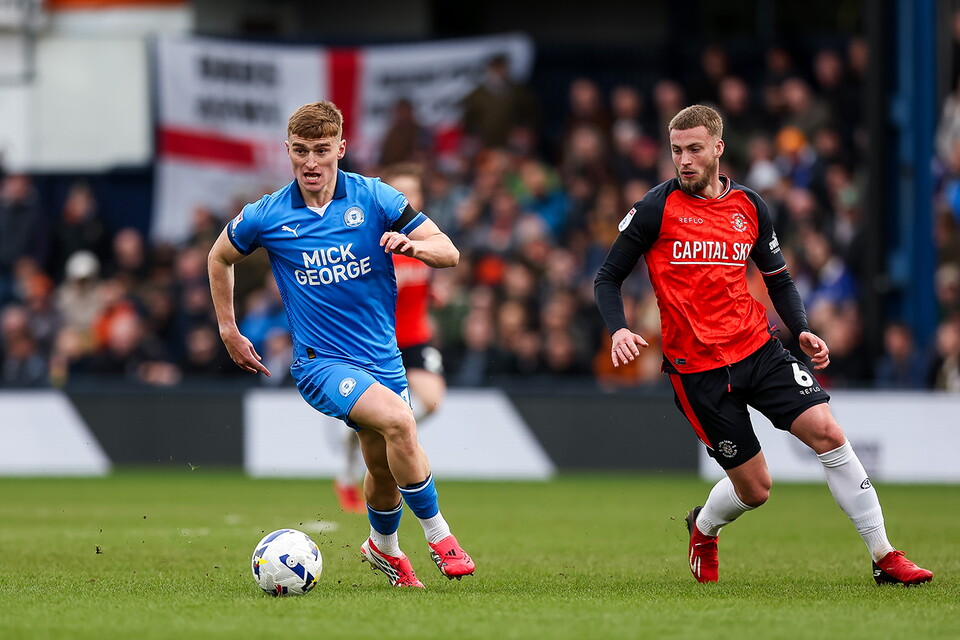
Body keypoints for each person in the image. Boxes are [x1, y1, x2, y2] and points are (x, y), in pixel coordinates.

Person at [594, 104, 933, 586]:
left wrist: (801, 328)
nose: (684, 160)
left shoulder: (750, 206)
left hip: (758, 348)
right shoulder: (654, 208)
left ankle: (884, 555)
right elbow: (607, 278)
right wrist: (619, 329)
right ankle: (704, 525)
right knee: (756, 489)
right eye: (676, 151)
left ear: (718, 148)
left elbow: (778, 278)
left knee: (829, 433)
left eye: (693, 149)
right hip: (697, 370)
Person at [208, 101, 474, 588]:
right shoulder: (267, 214)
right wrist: (229, 329)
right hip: (320, 363)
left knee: (382, 463)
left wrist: (415, 247)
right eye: (302, 150)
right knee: (400, 421)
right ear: (288, 150)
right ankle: (440, 536)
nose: (311, 162)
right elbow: (219, 255)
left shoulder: (376, 199)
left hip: (383, 356)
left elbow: (449, 251)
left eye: (322, 150)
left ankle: (383, 547)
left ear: (341, 149)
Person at [334, 163, 448, 514]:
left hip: (416, 338)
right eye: (399, 191)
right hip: (375, 341)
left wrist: (437, 294)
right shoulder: (369, 236)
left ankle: (389, 428)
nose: (406, 198)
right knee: (383, 418)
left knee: (430, 401)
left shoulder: (424, 237)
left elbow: (434, 275)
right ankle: (346, 474)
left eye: (412, 191)